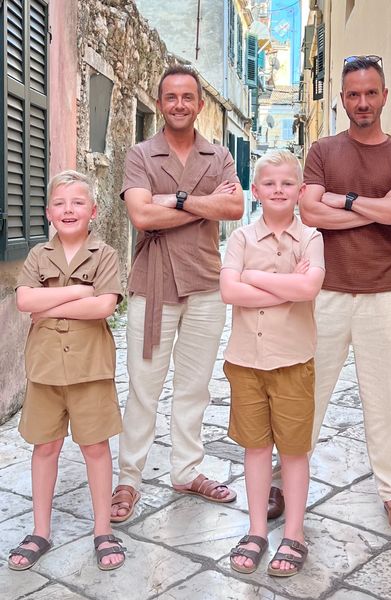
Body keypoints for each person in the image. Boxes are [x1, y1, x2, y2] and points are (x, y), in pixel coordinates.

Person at [110, 65, 244, 522]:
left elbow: (233, 206)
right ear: (161, 101)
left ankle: (187, 471)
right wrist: (200, 205)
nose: (180, 104)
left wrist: (175, 200)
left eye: (188, 97)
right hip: (153, 286)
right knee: (143, 389)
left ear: (200, 104)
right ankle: (129, 479)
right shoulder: (141, 154)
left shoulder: (219, 154)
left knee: (194, 388)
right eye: (171, 97)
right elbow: (141, 218)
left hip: (205, 284)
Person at [300, 55, 391, 534]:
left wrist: (346, 200)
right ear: (342, 98)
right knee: (306, 392)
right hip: (326, 288)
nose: (362, 102)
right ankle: (285, 476)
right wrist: (381, 208)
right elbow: (310, 213)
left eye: (371, 93)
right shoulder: (323, 150)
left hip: (388, 290)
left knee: (387, 396)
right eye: (353, 94)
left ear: (385, 95)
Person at [9, 171, 125, 571]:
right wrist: (79, 290)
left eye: (77, 203)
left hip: (90, 368)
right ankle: (40, 529)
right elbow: (25, 300)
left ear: (92, 211)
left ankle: (102, 529)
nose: (68, 210)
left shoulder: (105, 254)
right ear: (48, 213)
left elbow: (103, 306)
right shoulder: (39, 255)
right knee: (45, 447)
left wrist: (49, 306)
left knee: (95, 448)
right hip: (44, 370)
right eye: (60, 203)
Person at [220, 150, 325, 577]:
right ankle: (258, 529)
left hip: (292, 361)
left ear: (300, 191)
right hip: (246, 362)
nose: (278, 190)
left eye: (287, 183)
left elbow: (311, 287)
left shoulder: (311, 238)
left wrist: (254, 278)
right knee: (255, 447)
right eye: (270, 183)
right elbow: (229, 292)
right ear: (257, 191)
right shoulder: (241, 239)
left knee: (295, 451)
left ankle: (295, 533)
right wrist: (288, 287)